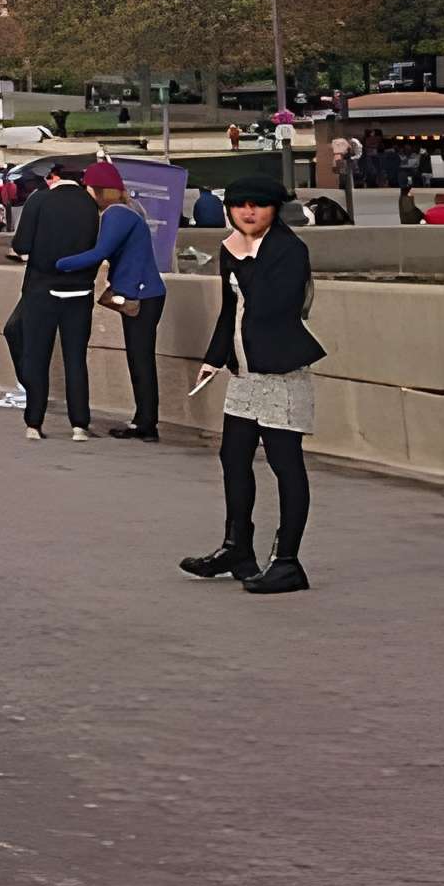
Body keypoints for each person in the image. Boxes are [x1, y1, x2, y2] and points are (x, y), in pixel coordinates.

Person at [184, 174, 324, 594]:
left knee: (286, 465)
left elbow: (270, 307)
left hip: (281, 372)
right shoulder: (232, 248)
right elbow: (230, 310)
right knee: (233, 457)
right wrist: (213, 358)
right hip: (244, 372)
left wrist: (244, 258)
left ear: (275, 210)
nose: (247, 212)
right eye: (239, 205)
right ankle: (237, 547)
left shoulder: (288, 250)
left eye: (258, 205)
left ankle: (287, 562)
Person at [60, 160, 168, 439]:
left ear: (97, 191)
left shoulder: (115, 215)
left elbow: (100, 252)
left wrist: (57, 263)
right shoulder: (130, 210)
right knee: (140, 358)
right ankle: (144, 420)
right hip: (147, 292)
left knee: (140, 359)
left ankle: (146, 423)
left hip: (141, 294)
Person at [5, 162, 103, 440]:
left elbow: (22, 244)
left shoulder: (40, 201)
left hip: (42, 290)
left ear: (54, 177)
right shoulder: (90, 205)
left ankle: (34, 424)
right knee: (76, 359)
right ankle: (79, 425)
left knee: (37, 356)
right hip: (81, 292)